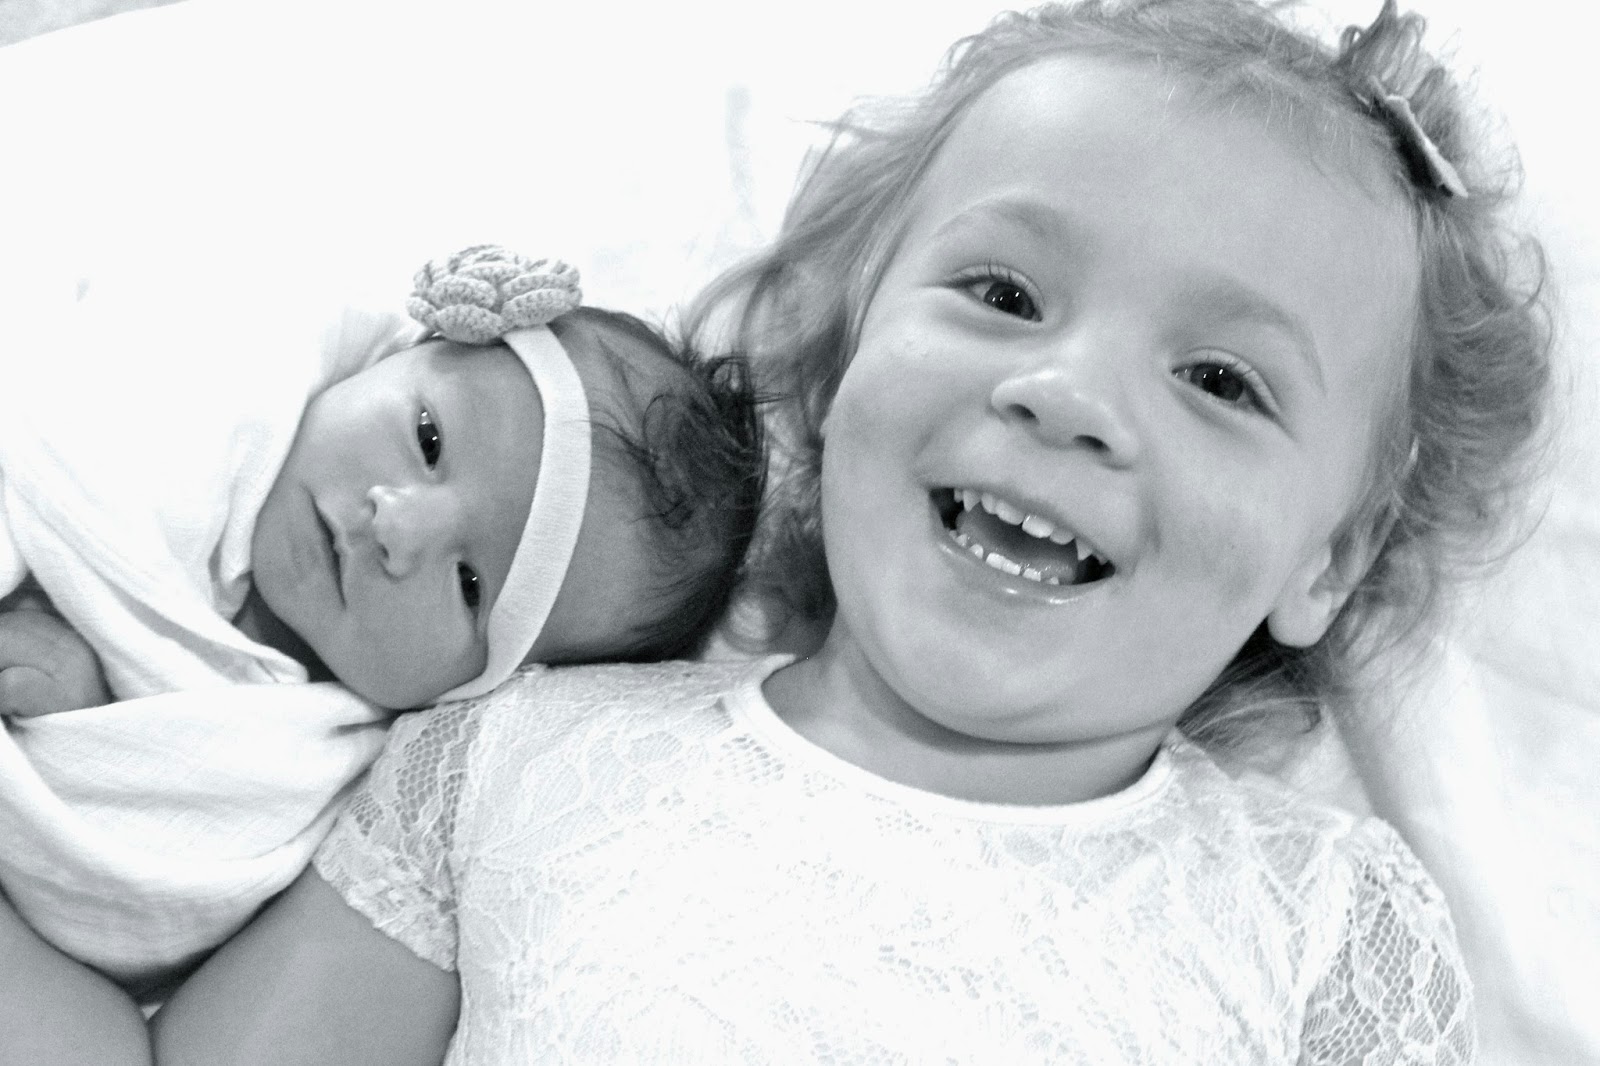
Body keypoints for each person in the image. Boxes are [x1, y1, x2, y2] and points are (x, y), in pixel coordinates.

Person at [26, 0, 1551, 1060]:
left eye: (1222, 380)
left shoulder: (1326, 926)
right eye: (1004, 292)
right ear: (843, 350)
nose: (1069, 395)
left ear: (1329, 560)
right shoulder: (510, 759)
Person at [0, 245, 765, 714]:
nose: (397, 526)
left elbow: (149, 870)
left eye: (471, 586)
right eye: (428, 440)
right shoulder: (203, 362)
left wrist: (87, 705)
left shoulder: (288, 756)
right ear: (406, 351)